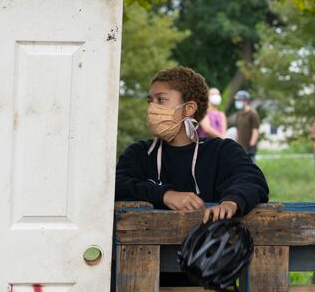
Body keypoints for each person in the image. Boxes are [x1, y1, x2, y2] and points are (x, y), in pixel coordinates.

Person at [115, 66, 269, 222]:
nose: (152, 108)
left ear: (189, 108)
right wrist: (164, 195)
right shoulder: (139, 153)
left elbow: (252, 179)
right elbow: (117, 184)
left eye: (161, 99)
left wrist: (232, 202)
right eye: (150, 101)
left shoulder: (222, 151)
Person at [230, 90, 260, 159]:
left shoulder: (253, 114)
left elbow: (255, 131)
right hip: (240, 148)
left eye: (239, 100)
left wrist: (251, 146)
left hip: (249, 149)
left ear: (245, 101)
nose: (237, 102)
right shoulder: (239, 114)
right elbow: (238, 130)